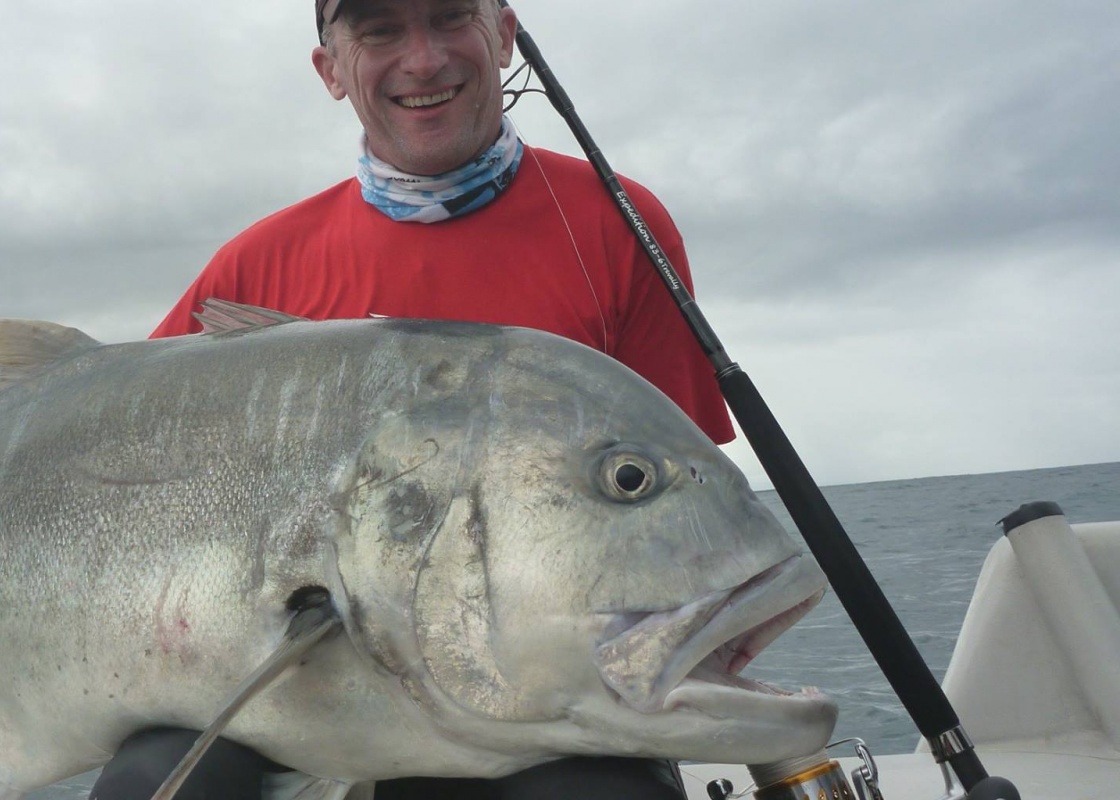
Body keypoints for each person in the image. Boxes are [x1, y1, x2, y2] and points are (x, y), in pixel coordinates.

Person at [93, 1, 730, 798]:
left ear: (503, 33)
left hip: (546, 703)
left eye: (447, 15)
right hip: (299, 691)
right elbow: (109, 460)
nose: (422, 60)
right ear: (330, 69)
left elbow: (674, 523)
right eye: (380, 30)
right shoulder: (252, 272)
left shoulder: (617, 225)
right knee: (155, 785)